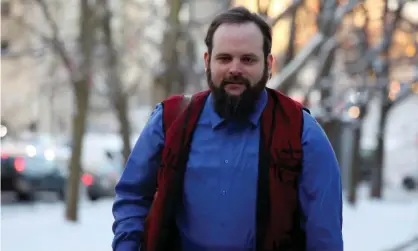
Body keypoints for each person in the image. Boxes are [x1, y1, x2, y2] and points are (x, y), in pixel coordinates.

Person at [112, 6, 343, 251]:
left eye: (248, 59)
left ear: (268, 64)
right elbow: (132, 196)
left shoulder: (301, 131)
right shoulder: (169, 120)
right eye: (224, 58)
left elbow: (324, 233)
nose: (235, 69)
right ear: (207, 62)